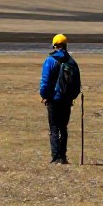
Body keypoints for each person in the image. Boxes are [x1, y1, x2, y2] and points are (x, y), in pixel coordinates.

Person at [38, 33, 79, 164]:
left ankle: (56, 157)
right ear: (66, 45)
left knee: (54, 128)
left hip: (53, 99)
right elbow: (77, 84)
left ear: (54, 46)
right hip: (67, 100)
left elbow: (45, 80)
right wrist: (72, 97)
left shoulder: (50, 60)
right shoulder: (71, 61)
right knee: (63, 128)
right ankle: (63, 156)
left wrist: (44, 96)